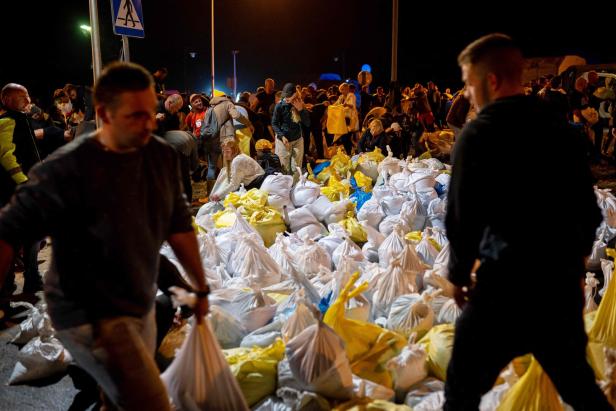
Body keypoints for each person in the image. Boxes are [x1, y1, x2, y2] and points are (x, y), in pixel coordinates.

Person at [0, 62, 209, 410]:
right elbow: (7, 233)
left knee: (121, 390)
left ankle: (107, 395)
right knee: (151, 402)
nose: (148, 125)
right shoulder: (65, 169)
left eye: (151, 114)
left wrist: (198, 286)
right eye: (134, 116)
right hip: (87, 312)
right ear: (103, 114)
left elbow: (179, 225)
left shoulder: (159, 157)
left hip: (135, 298)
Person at [444, 33, 610, 410]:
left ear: (490, 81)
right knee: (579, 386)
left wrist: (457, 275)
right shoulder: (560, 131)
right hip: (558, 290)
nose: (467, 94)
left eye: (469, 84)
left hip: (503, 289)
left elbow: (462, 217)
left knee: (461, 390)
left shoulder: (478, 134)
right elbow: (589, 209)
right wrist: (575, 268)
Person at [0, 83, 43, 297]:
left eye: (27, 96)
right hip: (16, 190)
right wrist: (22, 180)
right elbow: (6, 155)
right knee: (13, 240)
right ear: (8, 101)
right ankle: (6, 292)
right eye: (22, 97)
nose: (28, 101)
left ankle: (33, 280)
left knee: (33, 236)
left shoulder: (24, 120)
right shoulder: (7, 121)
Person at [209, 137, 264, 202]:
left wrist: (218, 195)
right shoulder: (239, 157)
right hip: (255, 184)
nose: (225, 155)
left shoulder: (238, 160)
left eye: (228, 151)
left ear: (234, 150)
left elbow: (234, 185)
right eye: (223, 152)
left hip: (258, 185)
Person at [271, 83, 310, 175]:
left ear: (295, 94)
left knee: (296, 168)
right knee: (284, 167)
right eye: (285, 96)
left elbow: (307, 123)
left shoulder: (300, 104)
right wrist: (282, 136)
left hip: (297, 139)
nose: (286, 98)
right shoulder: (280, 106)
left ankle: (295, 188)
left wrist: (300, 110)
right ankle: (286, 187)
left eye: (289, 96)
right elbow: (274, 123)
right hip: (284, 140)